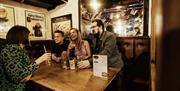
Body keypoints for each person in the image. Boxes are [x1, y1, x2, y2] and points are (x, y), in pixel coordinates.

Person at [0, 25, 50, 91]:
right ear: (21, 36)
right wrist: (40, 60)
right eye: (28, 35)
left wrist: (28, 74)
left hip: (24, 86)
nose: (30, 37)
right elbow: (18, 77)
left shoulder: (20, 49)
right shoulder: (10, 50)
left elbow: (27, 69)